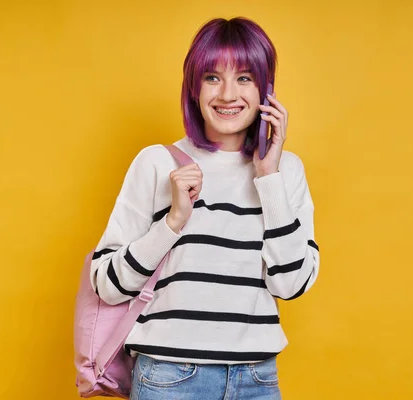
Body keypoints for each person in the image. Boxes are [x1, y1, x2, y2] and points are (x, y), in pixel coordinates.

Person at [90, 16, 320, 400]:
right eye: (213, 77)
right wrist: (173, 222)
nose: (228, 94)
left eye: (244, 78)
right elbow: (106, 285)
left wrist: (268, 177)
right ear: (194, 87)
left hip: (256, 378)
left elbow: (291, 284)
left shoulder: (285, 171)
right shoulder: (157, 163)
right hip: (169, 377)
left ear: (266, 89)